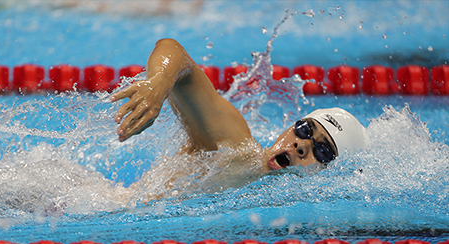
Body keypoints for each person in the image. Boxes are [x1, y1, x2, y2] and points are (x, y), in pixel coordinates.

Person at [110, 38, 369, 175]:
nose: (302, 146)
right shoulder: (234, 149)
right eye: (304, 130)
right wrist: (160, 82)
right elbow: (174, 50)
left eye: (322, 151)